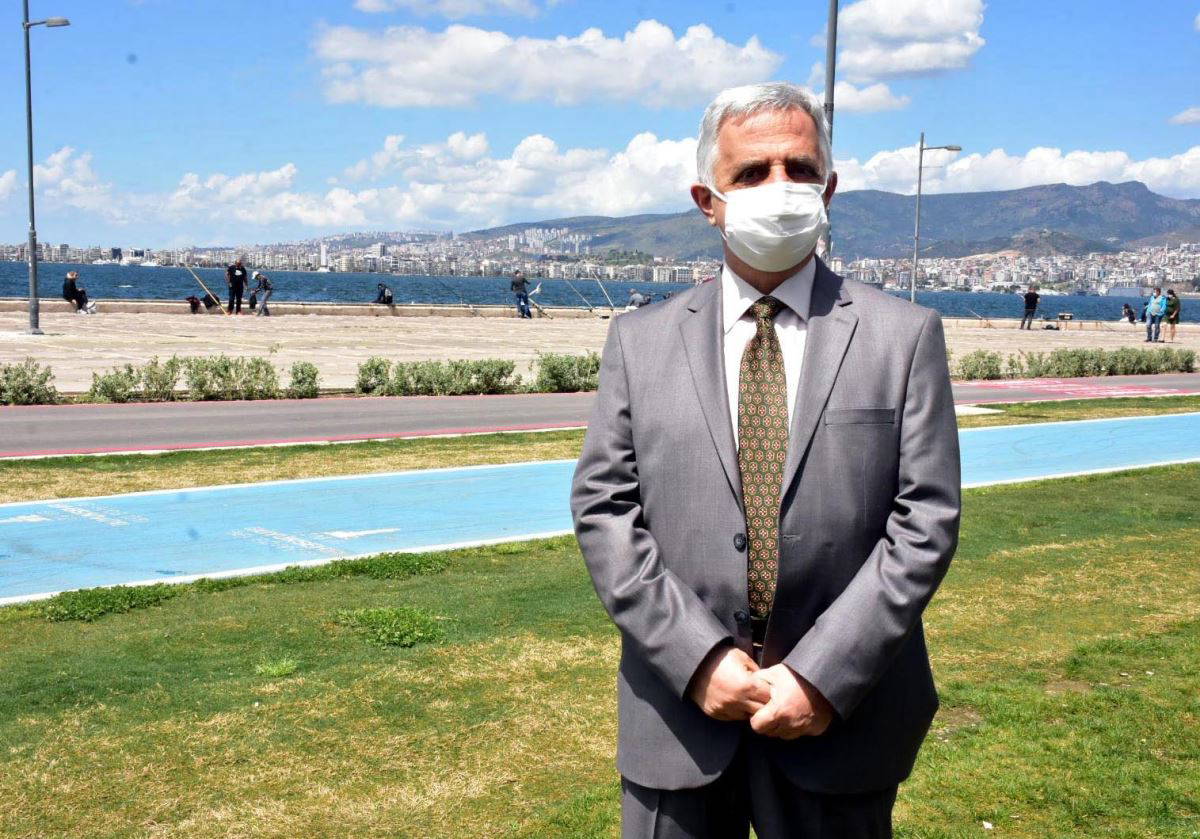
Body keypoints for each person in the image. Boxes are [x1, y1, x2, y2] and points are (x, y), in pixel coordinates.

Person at [571, 82, 961, 839]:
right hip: (679, 722)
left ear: (829, 189)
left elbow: (926, 521)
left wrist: (823, 674)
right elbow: (605, 509)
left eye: (800, 169)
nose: (780, 188)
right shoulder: (638, 342)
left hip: (840, 725)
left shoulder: (904, 336)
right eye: (751, 173)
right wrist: (695, 658)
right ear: (707, 200)